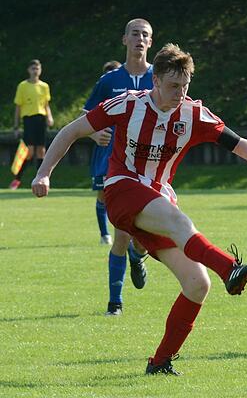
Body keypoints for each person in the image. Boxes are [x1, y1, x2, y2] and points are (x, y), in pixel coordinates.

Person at [31, 43, 247, 375]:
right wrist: (44, 172)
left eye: (185, 86)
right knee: (177, 219)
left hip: (158, 199)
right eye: (173, 86)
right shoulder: (128, 105)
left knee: (197, 283)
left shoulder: (193, 114)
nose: (180, 93)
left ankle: (160, 361)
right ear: (156, 82)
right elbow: (71, 131)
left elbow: (235, 143)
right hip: (121, 189)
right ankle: (229, 268)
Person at [82, 19, 156, 316]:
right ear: (124, 39)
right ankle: (115, 302)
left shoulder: (160, 78)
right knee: (122, 233)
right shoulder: (109, 81)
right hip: (117, 166)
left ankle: (139, 256)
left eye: (145, 35)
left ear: (151, 42)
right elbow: (86, 118)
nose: (140, 38)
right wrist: (93, 133)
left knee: (142, 239)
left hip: (152, 167)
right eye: (135, 33)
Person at [10, 60, 53, 190]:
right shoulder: (23, 86)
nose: (35, 71)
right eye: (33, 68)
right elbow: (18, 106)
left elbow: (46, 104)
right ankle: (17, 180)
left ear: (40, 70)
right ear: (29, 70)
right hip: (29, 119)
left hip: (41, 119)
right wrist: (16, 126)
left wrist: (49, 117)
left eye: (37, 68)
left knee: (41, 151)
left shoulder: (44, 86)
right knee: (28, 151)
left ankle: (40, 179)